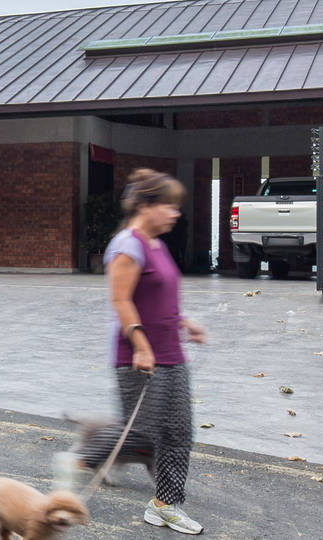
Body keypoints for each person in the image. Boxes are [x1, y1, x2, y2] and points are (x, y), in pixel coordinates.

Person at [53, 168, 207, 535]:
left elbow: (156, 296)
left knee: (179, 434)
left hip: (170, 351)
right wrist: (139, 344)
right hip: (138, 356)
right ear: (145, 205)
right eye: (169, 206)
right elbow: (120, 299)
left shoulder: (157, 244)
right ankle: (78, 460)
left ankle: (164, 506)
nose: (175, 214)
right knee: (144, 432)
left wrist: (183, 320)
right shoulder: (127, 244)